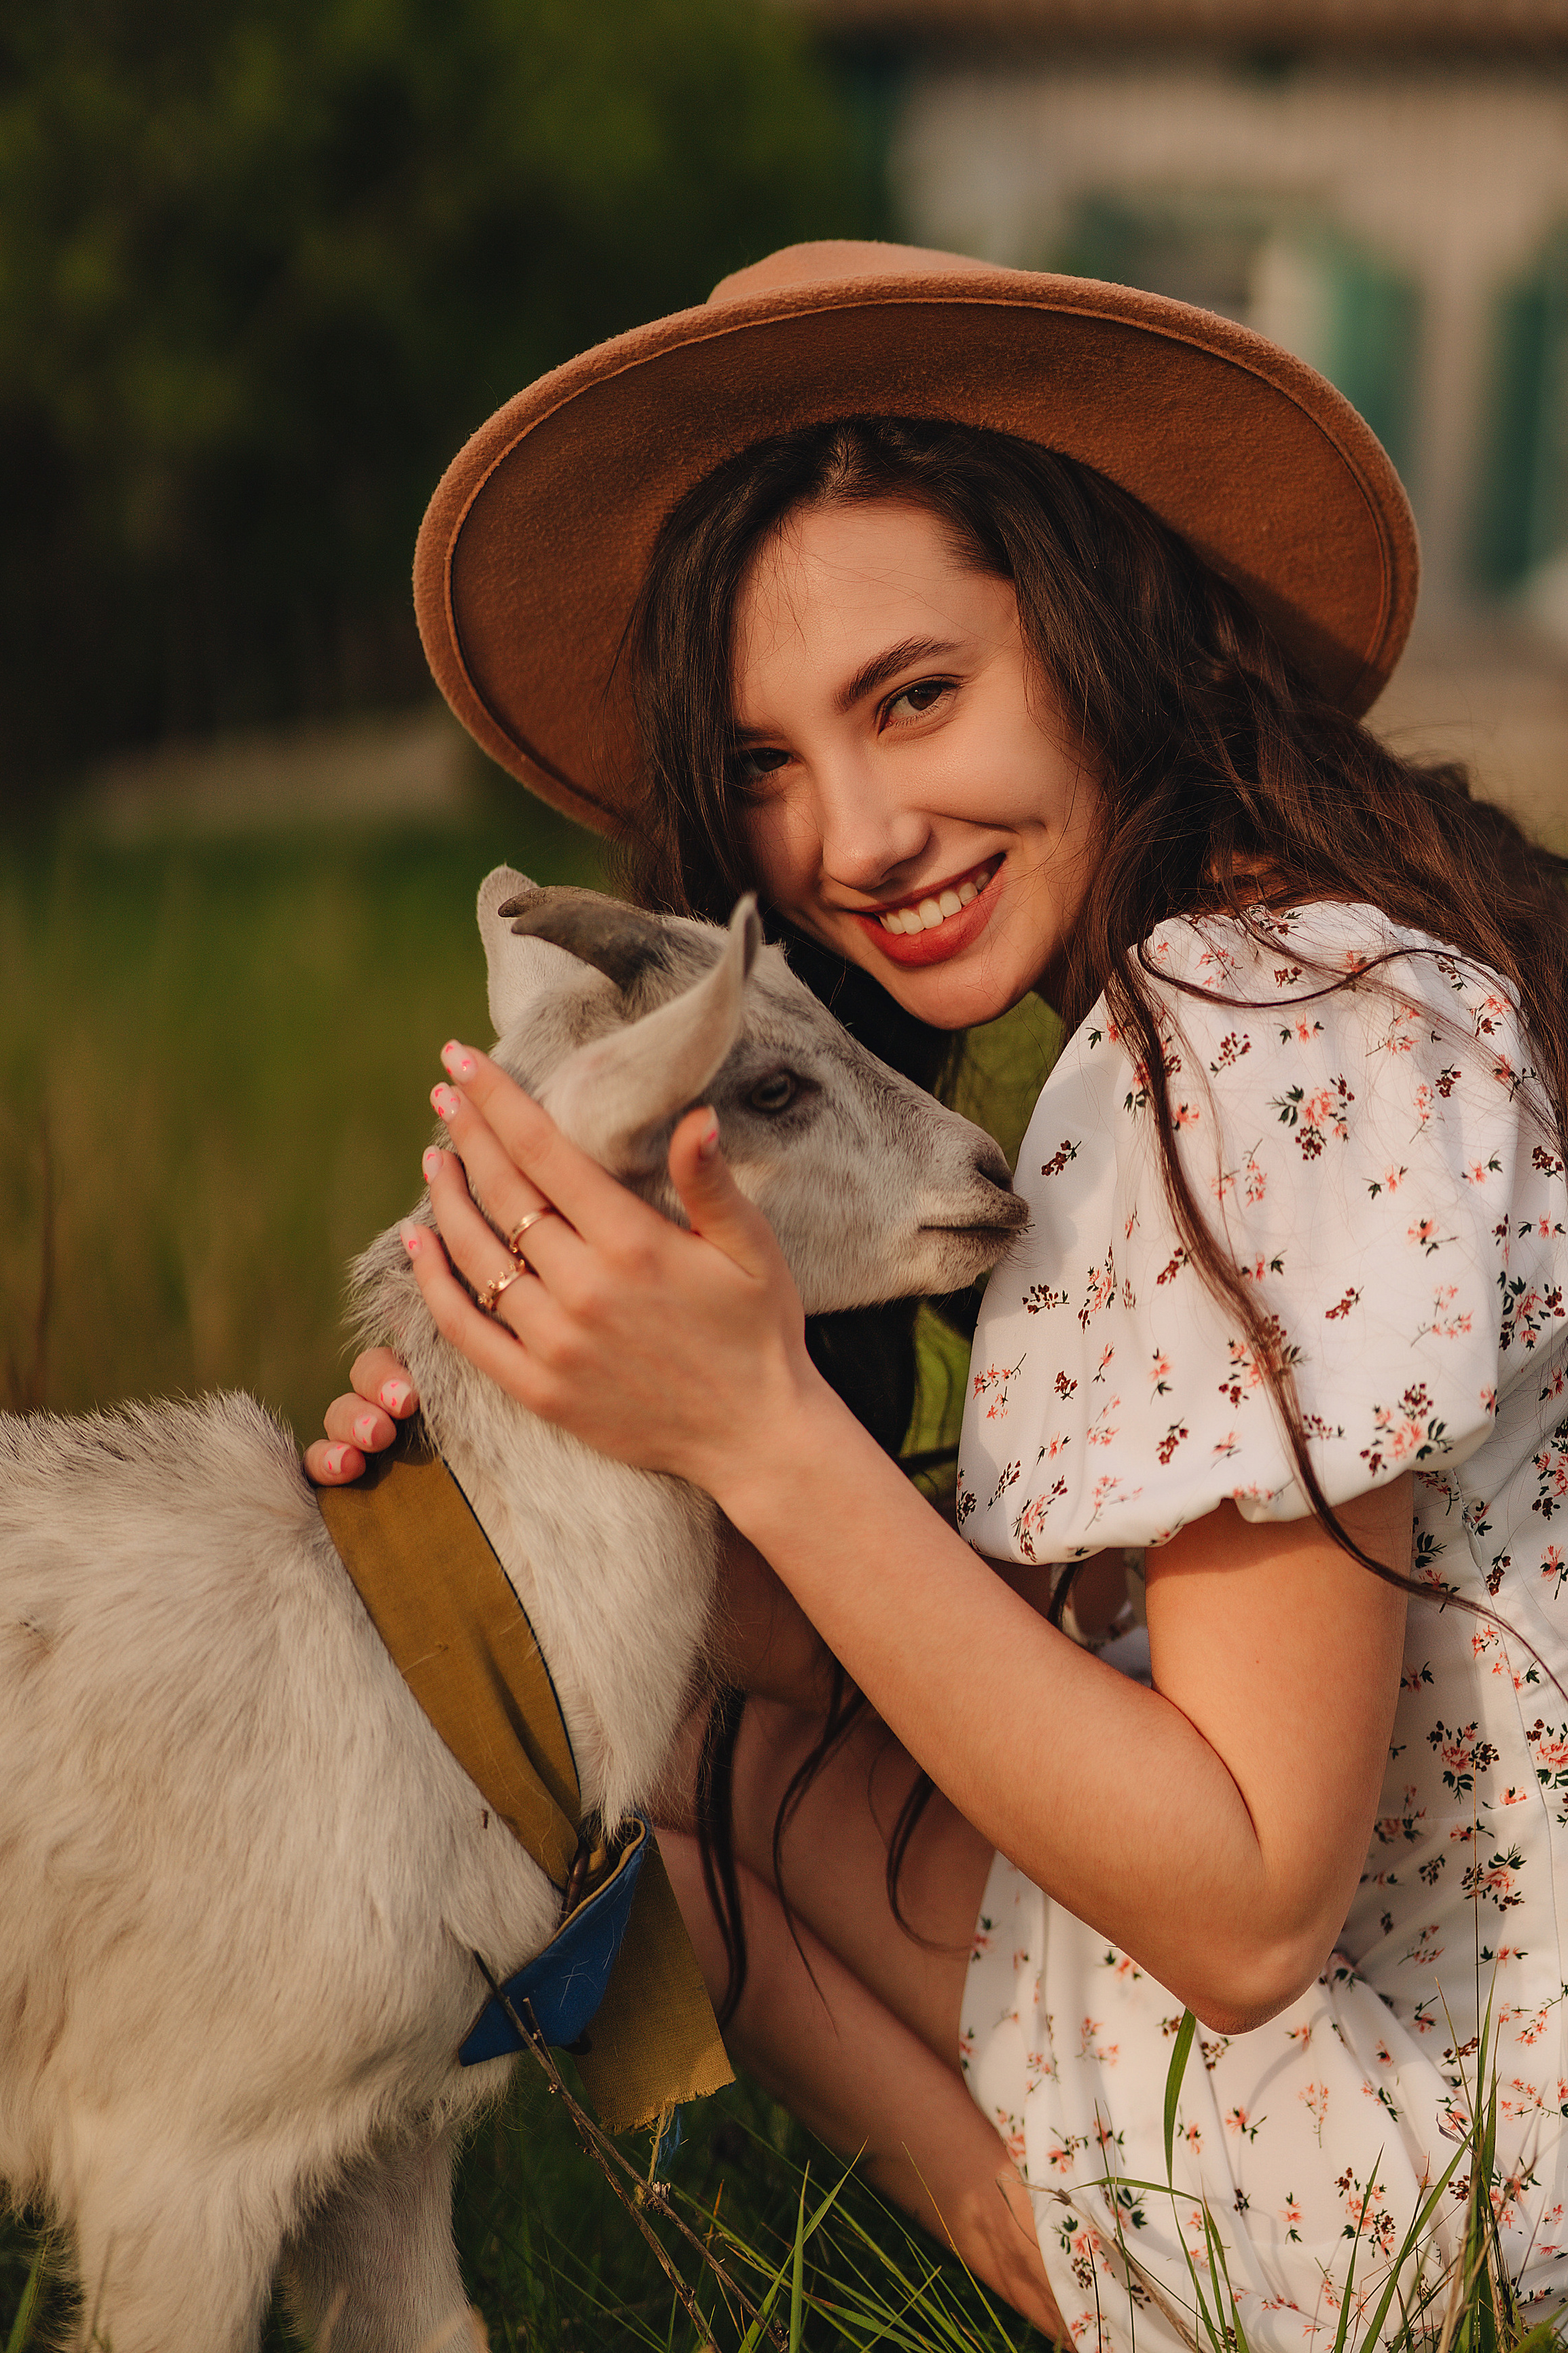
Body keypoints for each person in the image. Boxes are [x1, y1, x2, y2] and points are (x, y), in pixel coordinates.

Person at [307, 244, 1568, 2349]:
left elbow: (1250, 1908)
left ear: (1095, 631)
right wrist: (507, 1503)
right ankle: (1055, 2255)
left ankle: (1086, 2272)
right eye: (769, 764)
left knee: (682, 1762)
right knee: (662, 1701)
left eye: (913, 698)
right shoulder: (1292, 969)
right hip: (1475, 2104)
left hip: (1440, 2190)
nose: (854, 837)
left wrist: (754, 1433)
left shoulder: (1248, 1034)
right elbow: (960, 1665)